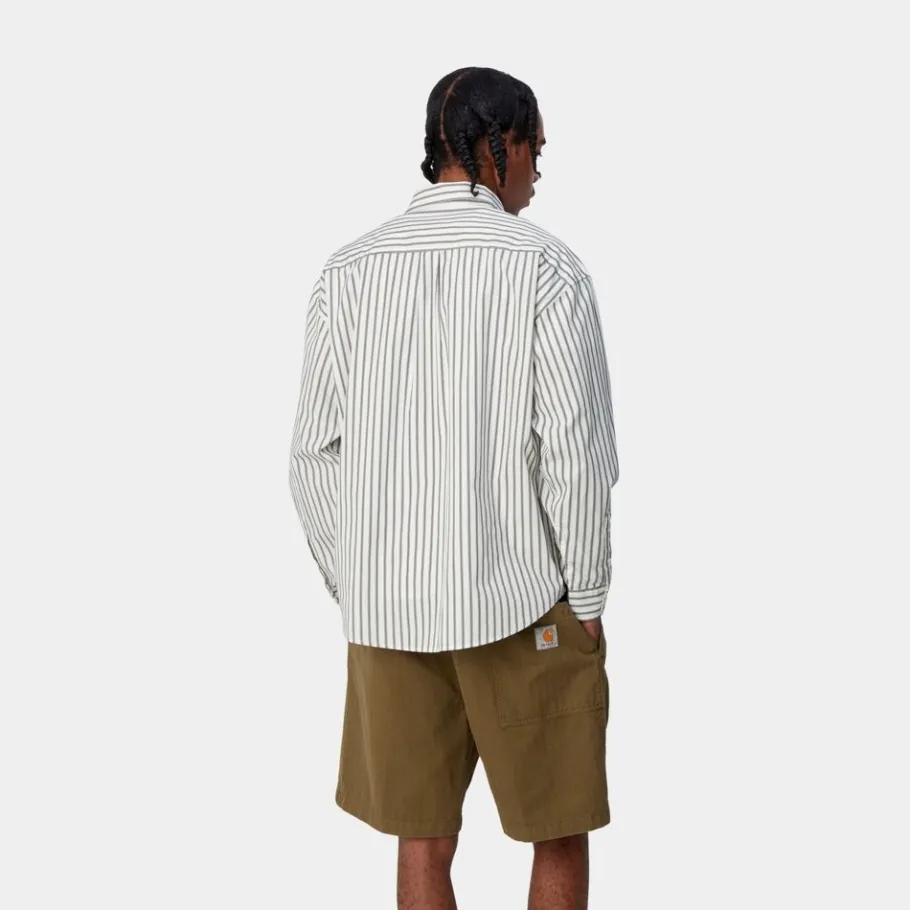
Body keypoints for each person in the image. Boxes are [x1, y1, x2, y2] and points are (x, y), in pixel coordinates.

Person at [289, 66, 619, 910]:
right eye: (534, 148)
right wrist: (586, 595)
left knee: (423, 837)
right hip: (522, 601)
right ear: (496, 146)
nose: (539, 170)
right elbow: (575, 451)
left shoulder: (347, 270)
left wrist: (358, 578)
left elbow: (313, 455)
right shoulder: (545, 268)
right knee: (557, 828)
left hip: (389, 613)